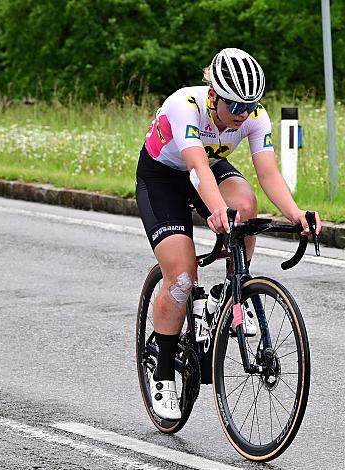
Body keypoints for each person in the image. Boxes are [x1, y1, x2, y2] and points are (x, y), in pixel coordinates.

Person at [135, 48, 322, 420]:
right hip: (163, 177)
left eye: (248, 106)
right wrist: (217, 211)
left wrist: (297, 214)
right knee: (183, 275)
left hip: (209, 166)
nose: (241, 115)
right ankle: (163, 371)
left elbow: (268, 173)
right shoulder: (184, 106)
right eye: (234, 105)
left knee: (246, 205)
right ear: (214, 94)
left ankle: (234, 286)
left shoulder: (254, 115)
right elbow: (196, 167)